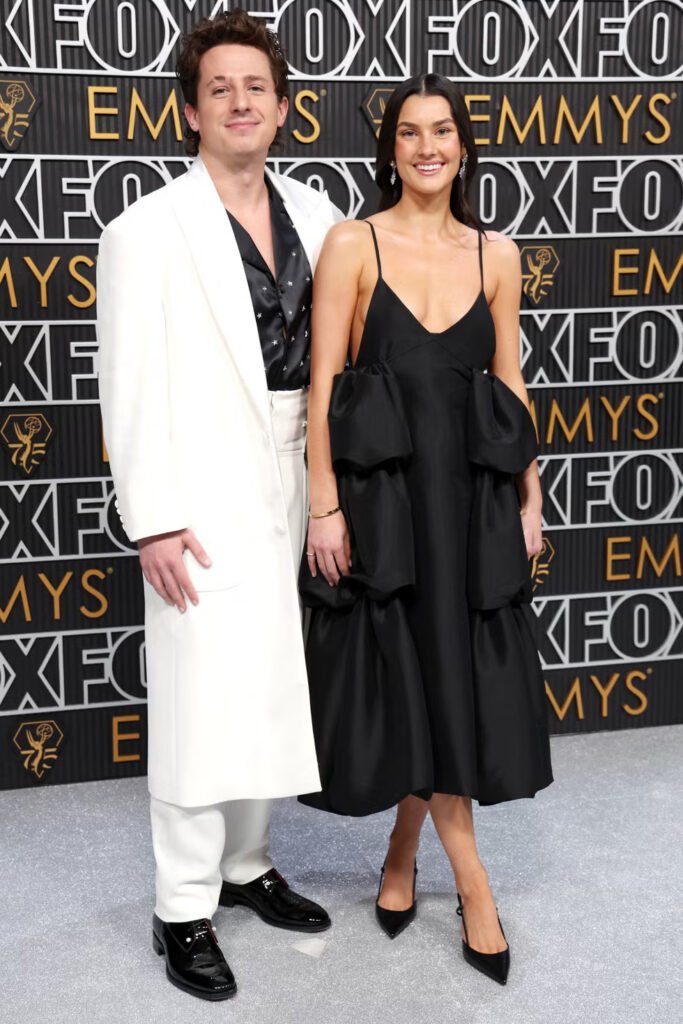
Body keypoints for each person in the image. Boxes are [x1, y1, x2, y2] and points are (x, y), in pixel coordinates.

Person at [97, 10, 343, 1002]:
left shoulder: (320, 215)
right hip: (196, 492)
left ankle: (246, 869)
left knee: (271, 682)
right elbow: (126, 381)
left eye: (257, 87)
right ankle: (181, 906)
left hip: (298, 472)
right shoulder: (144, 230)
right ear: (190, 108)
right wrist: (150, 514)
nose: (239, 102)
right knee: (201, 700)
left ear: (282, 105)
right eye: (219, 88)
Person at [299, 73, 553, 986]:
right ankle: (474, 885)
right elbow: (324, 385)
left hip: (472, 502)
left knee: (444, 684)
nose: (426, 147)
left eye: (441, 131)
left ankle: (404, 853)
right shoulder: (350, 244)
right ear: (390, 151)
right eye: (408, 134)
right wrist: (323, 504)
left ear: (462, 145)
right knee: (418, 679)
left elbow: (511, 380)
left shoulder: (497, 253)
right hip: (388, 510)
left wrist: (530, 492)